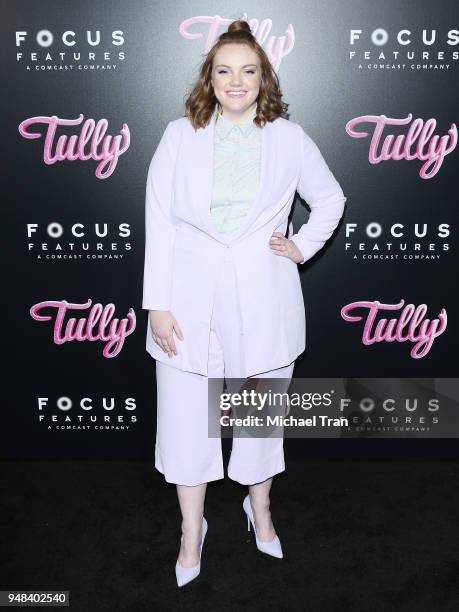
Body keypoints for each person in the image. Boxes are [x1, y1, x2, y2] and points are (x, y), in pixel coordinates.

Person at [142, 19, 347, 587]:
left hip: (263, 295)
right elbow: (158, 221)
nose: (237, 81)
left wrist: (301, 245)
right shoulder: (179, 135)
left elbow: (330, 198)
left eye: (249, 70)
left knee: (259, 418)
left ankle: (259, 510)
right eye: (224, 70)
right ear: (209, 77)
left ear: (264, 78)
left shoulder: (289, 137)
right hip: (186, 296)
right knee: (187, 418)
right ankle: (192, 532)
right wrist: (155, 302)